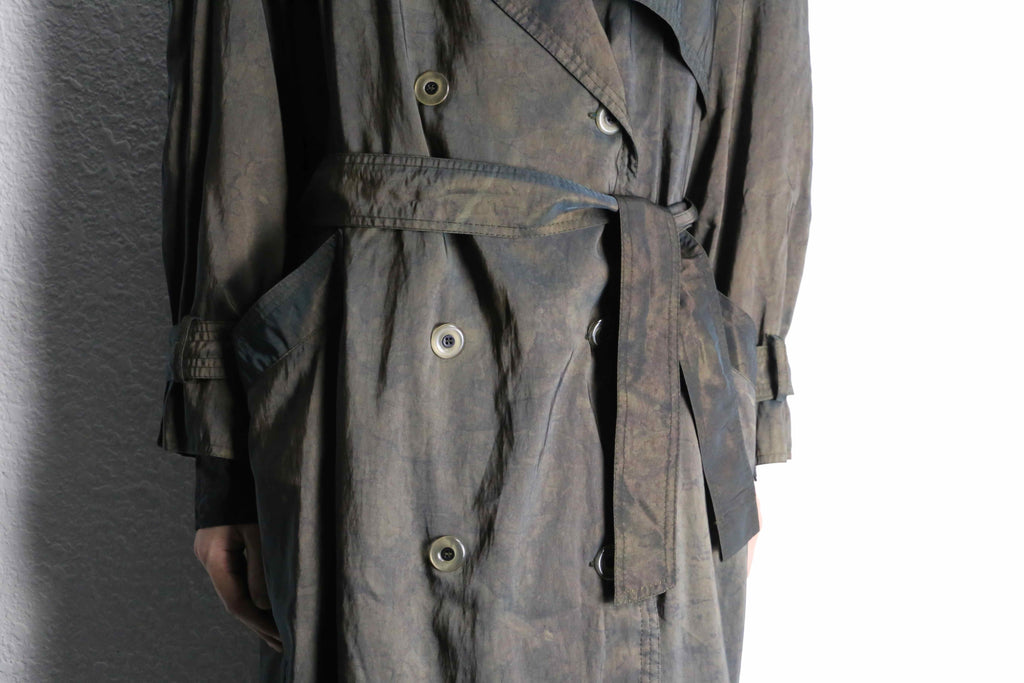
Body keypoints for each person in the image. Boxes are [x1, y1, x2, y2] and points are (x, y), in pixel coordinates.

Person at [157, 0, 812, 680]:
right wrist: (224, 463)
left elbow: (760, 133)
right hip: (389, 374)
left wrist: (738, 437)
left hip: (645, 398)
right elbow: (237, 99)